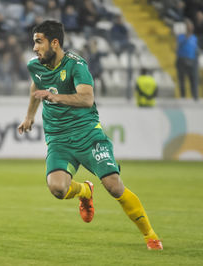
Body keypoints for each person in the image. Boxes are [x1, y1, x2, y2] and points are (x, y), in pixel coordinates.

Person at [18, 20, 162, 250]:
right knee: (57, 188)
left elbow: (86, 99)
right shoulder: (35, 66)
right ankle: (85, 191)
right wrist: (29, 116)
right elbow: (36, 87)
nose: (34, 47)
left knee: (114, 186)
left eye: (38, 42)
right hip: (58, 138)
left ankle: (150, 235)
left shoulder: (77, 65)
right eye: (34, 42)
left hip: (87, 134)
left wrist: (56, 97)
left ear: (54, 43)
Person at [175, 18, 199, 100]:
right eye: (189, 27)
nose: (190, 28)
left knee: (193, 79)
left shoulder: (195, 38)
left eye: (191, 27)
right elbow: (179, 45)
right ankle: (183, 96)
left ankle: (195, 96)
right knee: (182, 80)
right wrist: (187, 35)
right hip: (182, 59)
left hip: (192, 60)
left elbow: (195, 49)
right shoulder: (181, 37)